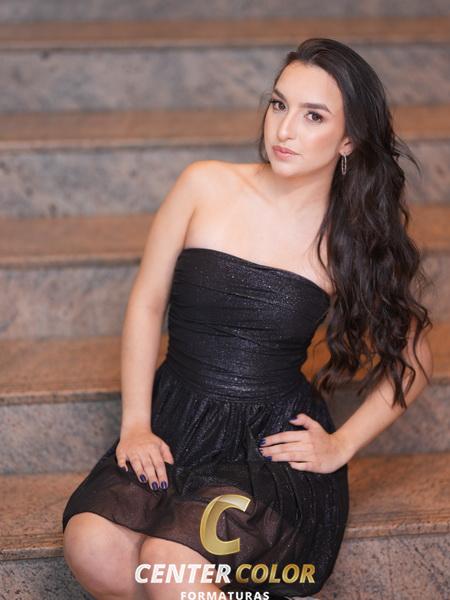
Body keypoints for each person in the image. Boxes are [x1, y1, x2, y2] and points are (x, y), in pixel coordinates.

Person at [61, 38, 433, 599]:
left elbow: (415, 353)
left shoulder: (349, 239)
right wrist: (136, 423)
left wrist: (341, 445)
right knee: (92, 546)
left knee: (170, 564)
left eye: (313, 116)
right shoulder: (203, 184)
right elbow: (146, 303)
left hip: (265, 446)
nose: (285, 129)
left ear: (349, 139)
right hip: (176, 415)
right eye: (279, 104)